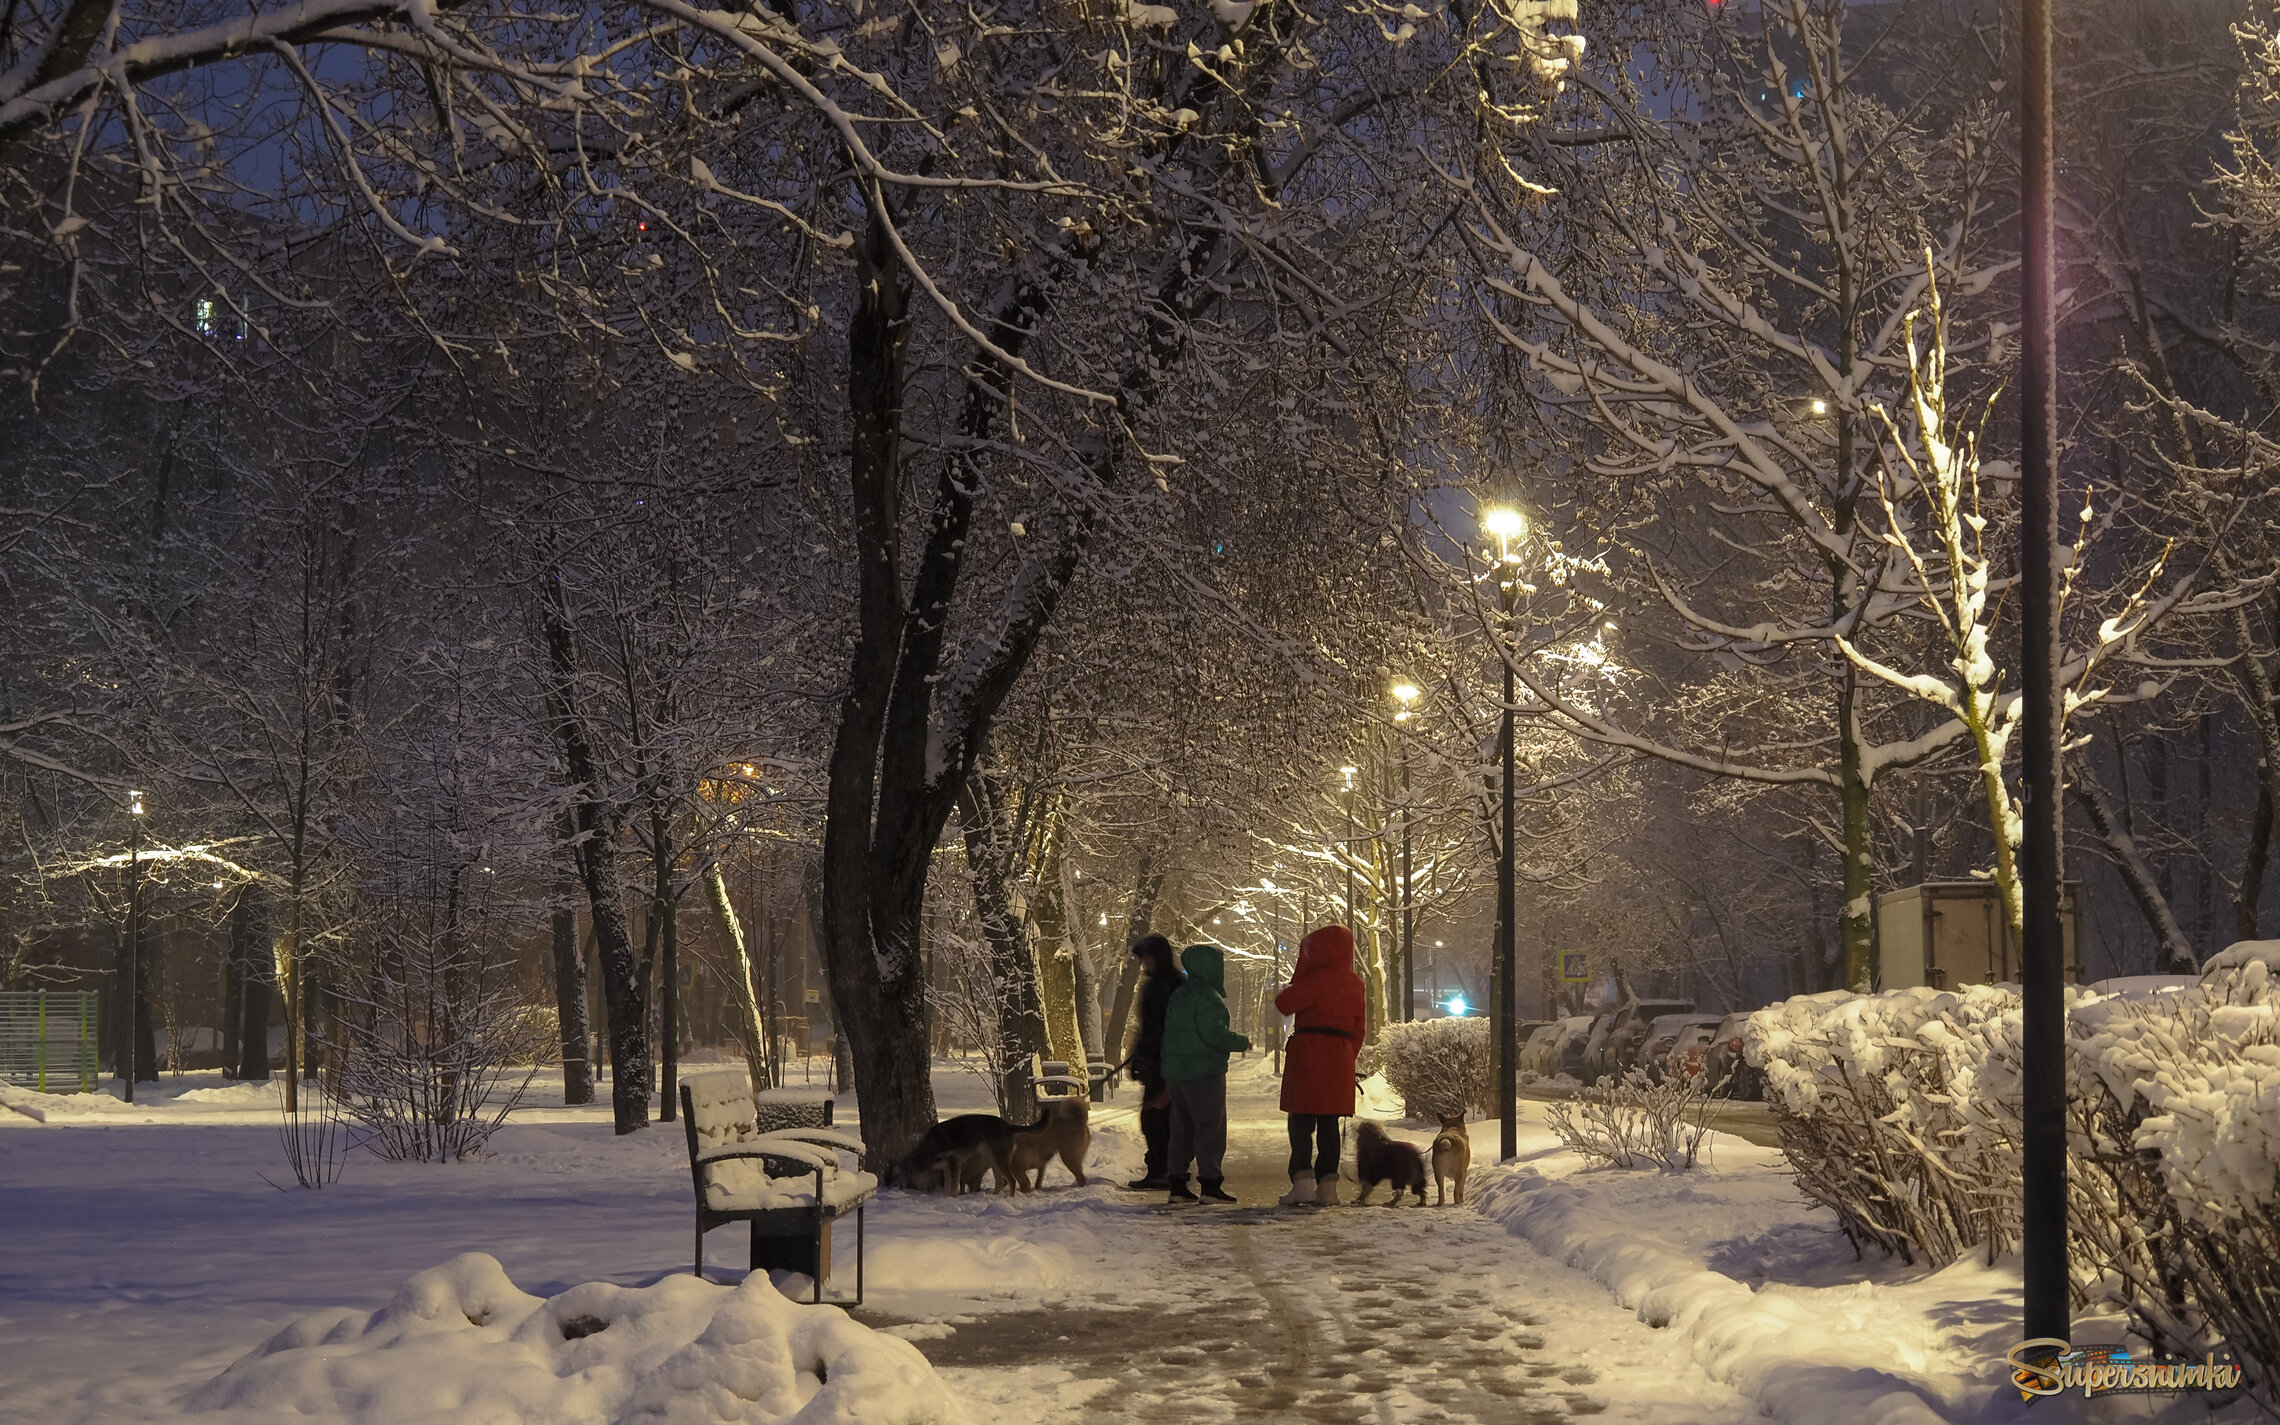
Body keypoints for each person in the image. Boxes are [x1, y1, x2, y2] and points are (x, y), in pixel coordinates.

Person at [1273, 924, 1366, 1206]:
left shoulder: (1314, 981)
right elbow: (1359, 1029)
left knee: (1301, 1121)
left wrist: (1300, 975)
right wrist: (1347, 1057)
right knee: (1329, 1123)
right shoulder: (1355, 983)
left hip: (1309, 1054)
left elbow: (1284, 1003)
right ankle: (1328, 1188)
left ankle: (1301, 1182)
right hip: (1339, 1055)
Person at [1159, 943, 1251, 1204]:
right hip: (1204, 1072)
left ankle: (1177, 1184)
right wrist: (1242, 1042)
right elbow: (1214, 1035)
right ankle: (1210, 1184)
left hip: (1177, 1073)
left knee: (1181, 1127)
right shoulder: (1208, 999)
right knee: (1210, 1126)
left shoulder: (1179, 996)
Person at [1122, 934, 1183, 1190]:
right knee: (1157, 1117)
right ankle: (1164, 1167)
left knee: (1156, 1117)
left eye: (1146, 958)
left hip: (1164, 1062)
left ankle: (1164, 1169)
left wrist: (1144, 1053)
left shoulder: (1167, 985)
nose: (1144, 963)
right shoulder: (1160, 983)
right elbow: (1148, 1027)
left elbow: (1159, 1028)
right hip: (1157, 1060)